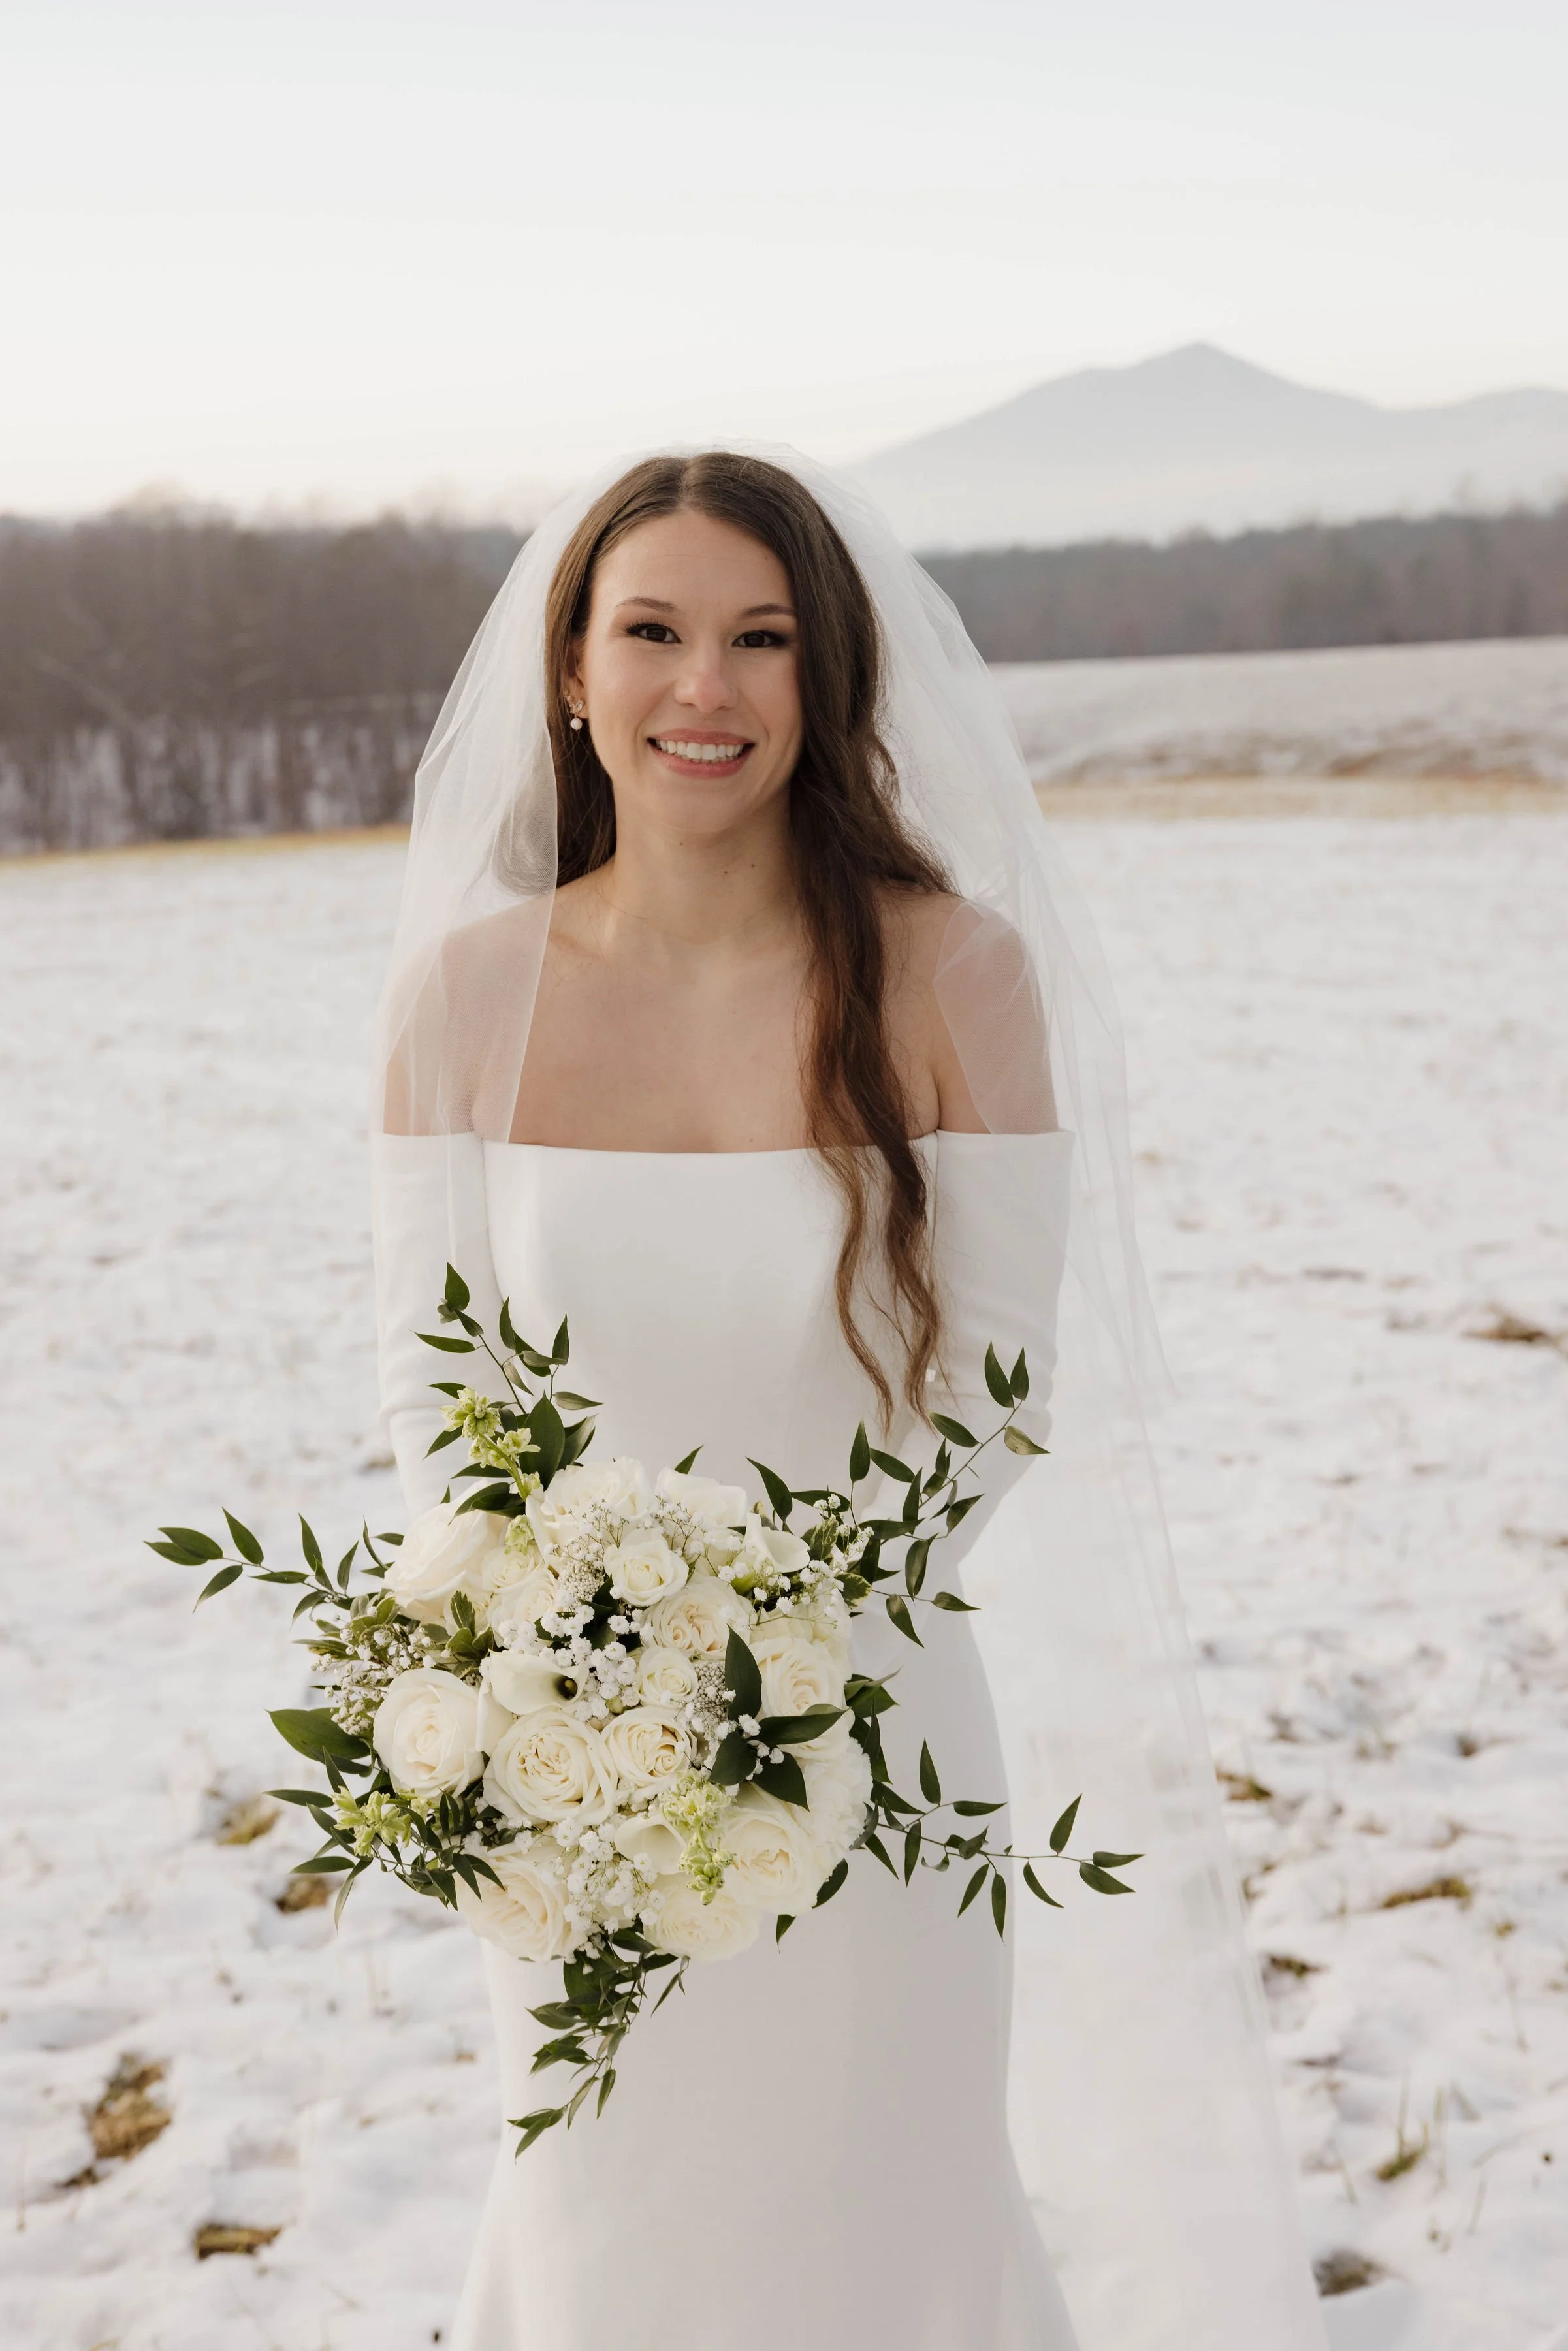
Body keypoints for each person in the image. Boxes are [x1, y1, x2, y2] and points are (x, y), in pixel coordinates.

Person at [370, 451, 1328, 2350]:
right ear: (572, 673)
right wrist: (567, 1695)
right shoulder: (466, 1004)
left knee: (882, 2227)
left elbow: (990, 1396)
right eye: (650, 633)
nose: (702, 690)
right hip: (572, 1776)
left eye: (760, 640)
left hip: (870, 1748)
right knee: (604, 2232)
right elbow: (439, 1401)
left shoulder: (957, 976)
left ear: (831, 682)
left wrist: (764, 1661)